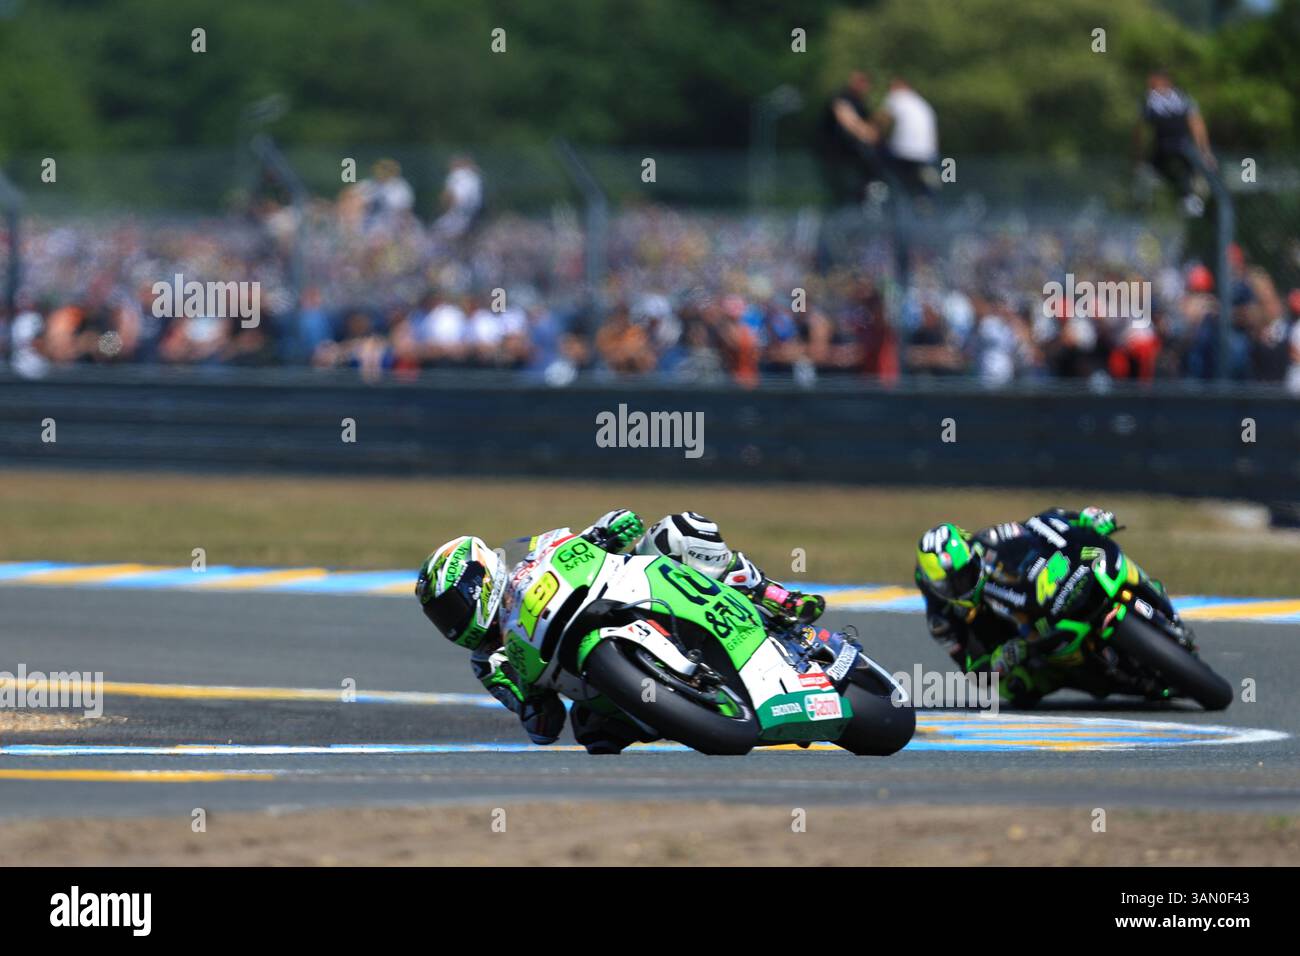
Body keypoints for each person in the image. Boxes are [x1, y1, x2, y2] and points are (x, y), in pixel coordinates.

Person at [414, 511, 826, 753]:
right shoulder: (489, 664)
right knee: (591, 733)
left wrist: (606, 530)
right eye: (440, 616)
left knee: (677, 531)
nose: (450, 622)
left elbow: (594, 536)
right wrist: (530, 700)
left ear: (480, 580)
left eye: (451, 606)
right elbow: (544, 729)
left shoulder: (535, 556)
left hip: (625, 602)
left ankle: (772, 595)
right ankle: (685, 704)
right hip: (607, 688)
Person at [913, 507, 1129, 705]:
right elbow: (974, 673)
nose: (962, 585)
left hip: (1048, 596)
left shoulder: (989, 542)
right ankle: (1086, 676)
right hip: (1022, 642)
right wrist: (999, 660)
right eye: (952, 584)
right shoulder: (942, 620)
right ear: (935, 587)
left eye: (965, 573)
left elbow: (1040, 524)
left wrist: (1083, 519)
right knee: (1014, 687)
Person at [1134, 69, 1216, 217]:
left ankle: (1189, 195)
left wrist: (1139, 155)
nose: (1150, 87)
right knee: (1181, 171)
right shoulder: (1181, 97)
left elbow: (1140, 130)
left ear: (1165, 82)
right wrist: (1205, 151)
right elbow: (1197, 125)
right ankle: (1189, 197)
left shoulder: (1151, 99)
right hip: (1176, 145)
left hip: (1171, 145)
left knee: (1167, 170)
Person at [818, 70, 883, 205]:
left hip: (854, 158)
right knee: (844, 194)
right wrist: (868, 133)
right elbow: (851, 123)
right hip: (837, 157)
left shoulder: (860, 102)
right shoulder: (842, 98)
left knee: (862, 191)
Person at [876, 76, 939, 198]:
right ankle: (923, 190)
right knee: (917, 185)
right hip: (928, 153)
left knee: (876, 161)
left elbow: (880, 122)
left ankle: (878, 192)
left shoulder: (896, 97)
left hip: (903, 151)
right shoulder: (921, 103)